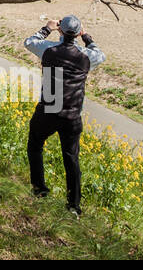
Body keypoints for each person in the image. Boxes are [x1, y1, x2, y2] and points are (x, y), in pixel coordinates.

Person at [24, 16, 106, 216]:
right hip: (72, 114)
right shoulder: (86, 56)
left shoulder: (48, 49)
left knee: (35, 145)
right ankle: (74, 206)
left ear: (60, 30)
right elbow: (100, 54)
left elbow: (29, 42)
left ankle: (39, 188)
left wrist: (47, 28)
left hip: (49, 109)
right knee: (71, 159)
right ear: (77, 33)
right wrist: (86, 36)